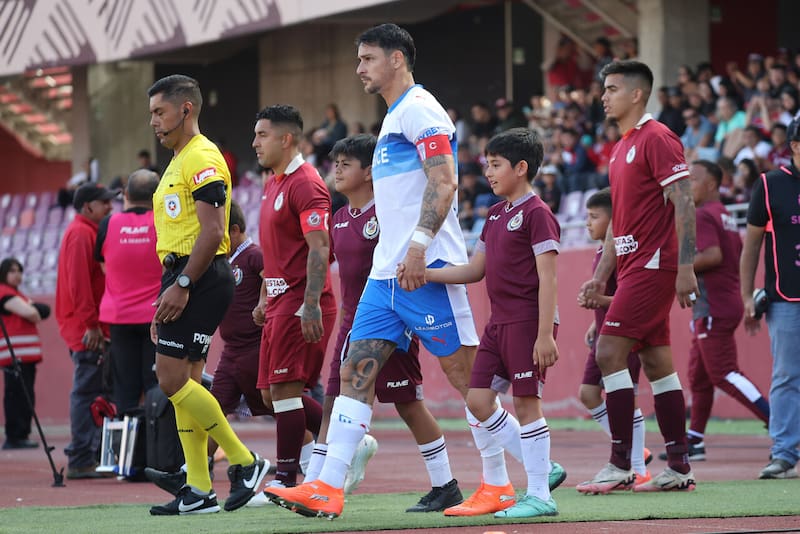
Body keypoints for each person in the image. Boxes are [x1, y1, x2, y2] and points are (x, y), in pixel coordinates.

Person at [266, 23, 564, 520]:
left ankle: (511, 478)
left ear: (397, 59)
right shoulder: (392, 118)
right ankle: (326, 485)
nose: (359, 68)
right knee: (352, 371)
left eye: (367, 58)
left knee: (468, 379)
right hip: (386, 274)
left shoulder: (422, 109)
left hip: (425, 268)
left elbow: (444, 183)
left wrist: (419, 249)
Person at [303, 133, 462, 511]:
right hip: (353, 322)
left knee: (408, 404)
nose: (336, 170)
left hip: (395, 319)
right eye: (334, 163)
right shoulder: (339, 218)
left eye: (345, 164)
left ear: (370, 172)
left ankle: (446, 484)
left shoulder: (386, 215)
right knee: (331, 399)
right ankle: (316, 483)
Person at [146, 74, 267, 515]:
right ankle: (198, 489)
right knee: (186, 383)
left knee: (171, 380)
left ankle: (244, 460)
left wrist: (181, 285)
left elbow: (214, 230)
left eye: (160, 112)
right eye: (152, 114)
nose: (155, 122)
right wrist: (170, 286)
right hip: (185, 274)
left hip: (198, 275)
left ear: (186, 109)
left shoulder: (201, 156)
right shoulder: (179, 159)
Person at [425, 127, 560, 518]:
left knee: (526, 401)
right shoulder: (496, 212)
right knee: (478, 401)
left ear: (521, 168)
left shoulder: (538, 213)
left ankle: (540, 495)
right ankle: (543, 469)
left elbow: (549, 277)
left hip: (527, 322)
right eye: (487, 164)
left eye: (496, 164)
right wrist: (427, 274)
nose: (488, 171)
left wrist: (544, 335)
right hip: (498, 324)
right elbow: (474, 270)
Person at [576, 60, 699, 494]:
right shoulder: (619, 148)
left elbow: (684, 201)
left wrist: (685, 265)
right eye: (603, 89)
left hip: (654, 266)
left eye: (611, 88)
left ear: (636, 95)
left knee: (609, 352)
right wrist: (600, 275)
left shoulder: (659, 138)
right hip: (631, 269)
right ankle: (680, 467)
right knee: (658, 366)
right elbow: (617, 224)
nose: (603, 96)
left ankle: (621, 464)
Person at [658, 160, 769, 462]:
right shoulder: (723, 216)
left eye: (692, 180)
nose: (687, 186)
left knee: (725, 374)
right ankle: (693, 440)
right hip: (721, 302)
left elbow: (712, 255)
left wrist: (677, 267)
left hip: (713, 307)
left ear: (710, 185)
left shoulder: (704, 214)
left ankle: (780, 425)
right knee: (700, 378)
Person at [251, 104, 337, 489]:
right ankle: (345, 443)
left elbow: (319, 248)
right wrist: (264, 296)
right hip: (279, 300)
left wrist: (311, 302)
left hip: (303, 299)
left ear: (286, 139)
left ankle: (286, 479)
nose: (254, 143)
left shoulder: (305, 183)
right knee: (269, 396)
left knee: (286, 392)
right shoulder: (273, 183)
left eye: (262, 135)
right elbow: (277, 250)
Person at [740, 117, 800, 480]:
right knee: (787, 376)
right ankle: (784, 453)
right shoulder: (769, 184)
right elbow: (751, 246)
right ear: (794, 146)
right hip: (785, 298)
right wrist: (747, 295)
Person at [579, 189, 651, 483]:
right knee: (588, 394)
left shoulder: (624, 252)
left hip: (624, 336)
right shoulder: (601, 252)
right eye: (587, 216)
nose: (587, 223)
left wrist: (601, 303)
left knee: (627, 399)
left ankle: (640, 471)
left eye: (595, 217)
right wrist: (597, 322)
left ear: (615, 220)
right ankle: (633, 449)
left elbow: (628, 296)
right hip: (604, 334)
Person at [55, 182, 115, 479]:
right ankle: (80, 458)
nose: (110, 207)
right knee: (86, 392)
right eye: (105, 203)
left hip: (88, 325)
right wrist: (91, 325)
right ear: (88, 206)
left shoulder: (86, 232)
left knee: (94, 391)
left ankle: (88, 455)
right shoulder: (80, 234)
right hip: (86, 329)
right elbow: (79, 285)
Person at [94, 169, 161, 415]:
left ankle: (127, 450)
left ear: (125, 194)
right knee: (157, 385)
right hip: (157, 317)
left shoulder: (108, 223)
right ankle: (157, 447)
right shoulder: (164, 221)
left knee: (125, 390)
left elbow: (104, 265)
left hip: (120, 318)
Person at [0, 258, 47, 450]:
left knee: (25, 393)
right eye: (12, 271)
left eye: (19, 270)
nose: (17, 274)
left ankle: (22, 433)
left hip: (25, 355)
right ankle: (15, 435)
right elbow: (32, 313)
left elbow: (43, 311)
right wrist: (31, 309)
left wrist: (32, 309)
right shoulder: (5, 293)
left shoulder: (17, 294)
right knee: (17, 394)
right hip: (13, 354)